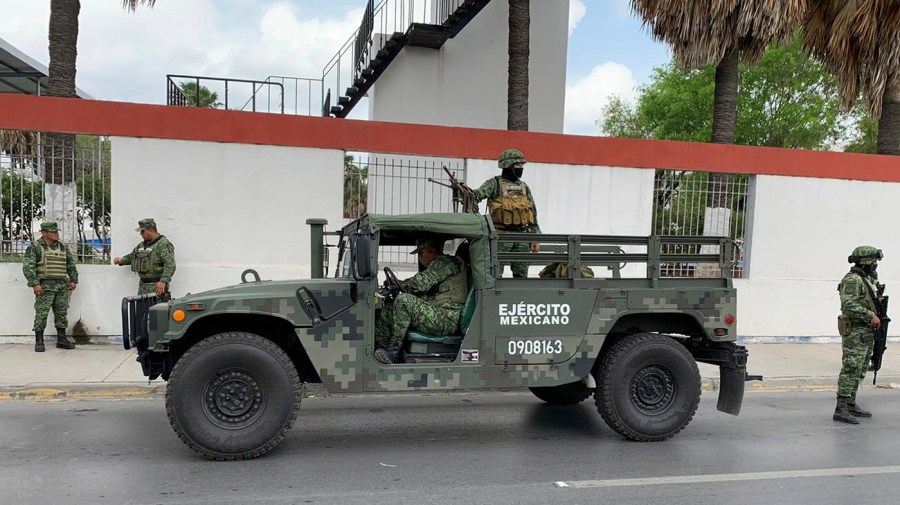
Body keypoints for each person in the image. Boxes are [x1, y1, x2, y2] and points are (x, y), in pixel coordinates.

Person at [374, 238, 468, 364]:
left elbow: (419, 284)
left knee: (403, 301)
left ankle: (393, 352)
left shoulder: (445, 264)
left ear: (432, 251)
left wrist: (401, 284)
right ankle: (380, 349)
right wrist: (401, 283)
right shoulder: (437, 266)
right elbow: (419, 282)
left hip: (446, 319)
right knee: (389, 308)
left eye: (420, 253)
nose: (419, 257)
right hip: (438, 315)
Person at [464, 148, 540, 278]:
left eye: (522, 165)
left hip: (522, 237)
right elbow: (477, 195)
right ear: (507, 165)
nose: (521, 168)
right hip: (500, 237)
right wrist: (465, 190)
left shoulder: (524, 187)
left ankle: (519, 298)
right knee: (495, 275)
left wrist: (536, 236)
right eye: (517, 165)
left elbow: (532, 213)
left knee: (521, 276)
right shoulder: (494, 184)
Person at [834, 245, 884, 424]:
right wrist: (870, 315)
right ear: (865, 261)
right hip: (855, 330)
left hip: (866, 331)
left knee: (861, 368)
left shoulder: (866, 279)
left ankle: (850, 402)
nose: (876, 264)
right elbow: (848, 305)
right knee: (851, 368)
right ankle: (841, 408)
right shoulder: (853, 280)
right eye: (874, 261)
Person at [22, 221, 78, 352]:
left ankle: (62, 339)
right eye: (53, 232)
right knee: (41, 313)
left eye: (56, 231)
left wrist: (73, 280)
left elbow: (70, 264)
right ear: (44, 233)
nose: (56, 234)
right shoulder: (36, 247)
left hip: (61, 286)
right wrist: (35, 284)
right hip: (45, 287)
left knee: (61, 313)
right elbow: (28, 267)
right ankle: (39, 341)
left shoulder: (63, 246)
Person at [114, 218, 176, 296]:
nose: (140, 234)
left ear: (151, 230)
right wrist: (122, 260)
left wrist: (163, 281)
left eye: (142, 231)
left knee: (156, 308)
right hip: (143, 286)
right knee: (141, 308)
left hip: (157, 287)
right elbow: (133, 256)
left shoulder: (163, 244)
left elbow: (170, 264)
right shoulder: (142, 245)